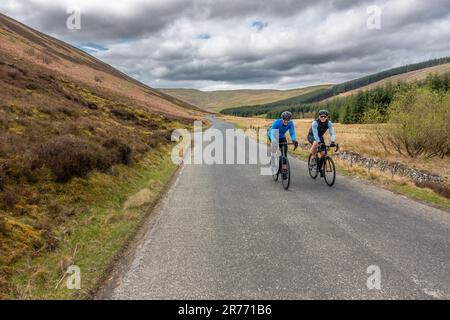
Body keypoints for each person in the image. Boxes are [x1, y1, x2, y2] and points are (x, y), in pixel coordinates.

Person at [307, 109, 336, 177]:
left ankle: (321, 169)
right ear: (319, 116)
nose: (323, 118)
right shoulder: (315, 123)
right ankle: (313, 157)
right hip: (312, 135)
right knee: (316, 143)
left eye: (324, 117)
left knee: (324, 154)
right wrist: (319, 142)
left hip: (320, 136)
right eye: (321, 116)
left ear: (327, 117)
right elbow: (315, 134)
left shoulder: (329, 123)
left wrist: (333, 141)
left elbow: (332, 133)